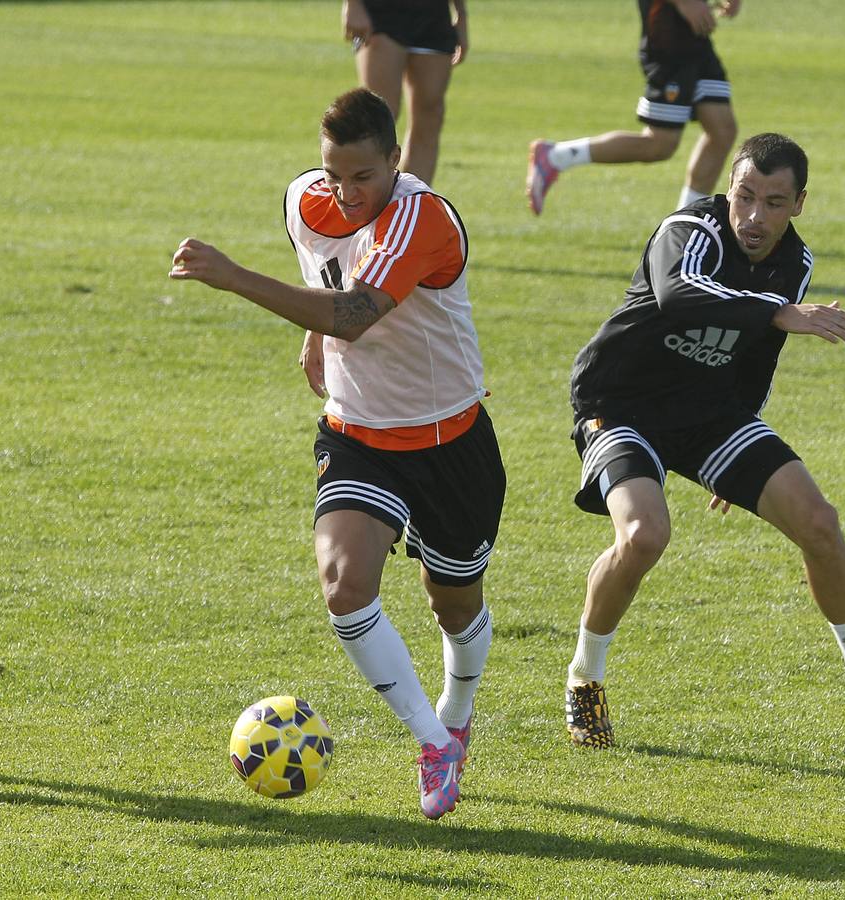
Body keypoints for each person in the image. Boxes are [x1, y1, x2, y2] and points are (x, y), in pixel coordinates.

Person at [170, 88, 504, 820]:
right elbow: (328, 274)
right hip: (357, 436)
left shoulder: (423, 216)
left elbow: (353, 313)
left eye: (363, 177)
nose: (346, 193)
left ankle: (455, 711)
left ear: (395, 160)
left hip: (450, 440)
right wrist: (310, 336)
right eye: (333, 175)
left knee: (454, 603)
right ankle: (432, 744)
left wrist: (236, 279)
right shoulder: (304, 199)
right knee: (345, 585)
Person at [563, 133, 845, 748]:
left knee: (819, 520)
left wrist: (738, 453)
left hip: (710, 413)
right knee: (643, 534)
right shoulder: (689, 230)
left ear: (798, 205)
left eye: (773, 202)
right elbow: (678, 296)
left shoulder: (795, 263)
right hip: (620, 404)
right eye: (744, 196)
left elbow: (755, 360)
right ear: (729, 191)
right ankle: (585, 677)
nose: (753, 216)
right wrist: (776, 311)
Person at [526, 0, 741, 216]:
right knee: (660, 143)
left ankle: (686, 225)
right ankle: (556, 156)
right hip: (667, 40)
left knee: (722, 131)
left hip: (697, 41)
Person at [342, 0, 468, 185]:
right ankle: (365, 203)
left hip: (434, 13)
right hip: (381, 11)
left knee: (430, 114)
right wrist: (352, 4)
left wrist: (461, 14)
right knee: (378, 115)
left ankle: (414, 202)